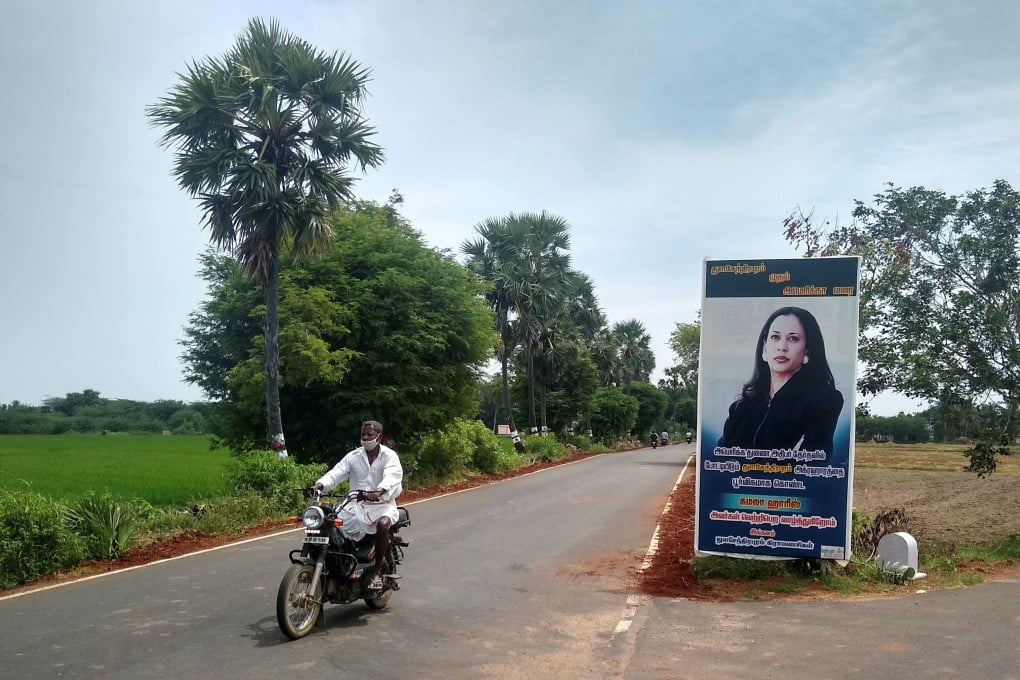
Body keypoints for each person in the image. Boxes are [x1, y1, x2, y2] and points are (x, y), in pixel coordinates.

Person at [717, 306, 844, 455]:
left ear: (807, 350)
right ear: (764, 347)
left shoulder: (824, 401)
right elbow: (719, 457)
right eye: (775, 337)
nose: (782, 347)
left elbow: (814, 462)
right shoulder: (741, 407)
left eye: (793, 338)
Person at [314, 420, 403, 590]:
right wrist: (319, 486)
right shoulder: (353, 456)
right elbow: (336, 473)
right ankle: (343, 563)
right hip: (355, 505)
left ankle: (376, 573)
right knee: (329, 521)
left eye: (369, 434)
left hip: (383, 504)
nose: (365, 437)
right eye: (363, 434)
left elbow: (393, 475)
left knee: (383, 524)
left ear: (379, 437)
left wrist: (379, 491)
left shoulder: (389, 456)